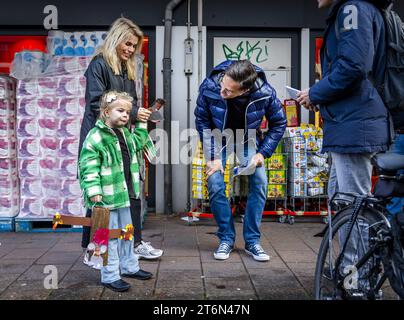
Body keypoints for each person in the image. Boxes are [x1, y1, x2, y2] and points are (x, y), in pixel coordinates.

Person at [296, 0, 390, 295]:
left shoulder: (353, 9)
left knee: (354, 208)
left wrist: (316, 92)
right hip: (351, 125)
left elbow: (353, 66)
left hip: (355, 125)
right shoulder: (357, 10)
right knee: (343, 203)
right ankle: (349, 269)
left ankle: (358, 283)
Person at [78, 17, 163, 265]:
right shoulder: (99, 65)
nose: (129, 50)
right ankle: (94, 248)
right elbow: (96, 104)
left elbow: (130, 103)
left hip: (122, 137)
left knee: (130, 191)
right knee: (101, 197)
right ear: (115, 38)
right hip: (101, 139)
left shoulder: (126, 68)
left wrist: (141, 115)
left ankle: (133, 242)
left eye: (133, 47)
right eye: (127, 44)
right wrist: (134, 113)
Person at [194, 60, 286, 262]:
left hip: (248, 139)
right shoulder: (210, 85)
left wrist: (262, 154)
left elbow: (279, 123)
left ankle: (252, 241)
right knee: (215, 182)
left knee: (260, 181)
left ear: (244, 90)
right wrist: (213, 157)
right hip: (218, 139)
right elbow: (202, 120)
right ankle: (226, 238)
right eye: (222, 86)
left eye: (228, 91)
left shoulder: (265, 93)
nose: (221, 93)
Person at [79, 91, 156, 292]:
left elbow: (139, 142)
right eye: (120, 110)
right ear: (106, 112)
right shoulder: (95, 137)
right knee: (109, 236)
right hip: (105, 197)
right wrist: (94, 190)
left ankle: (129, 266)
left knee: (126, 233)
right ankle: (110, 275)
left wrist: (140, 123)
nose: (125, 115)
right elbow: (88, 165)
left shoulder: (125, 132)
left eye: (128, 112)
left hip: (123, 195)